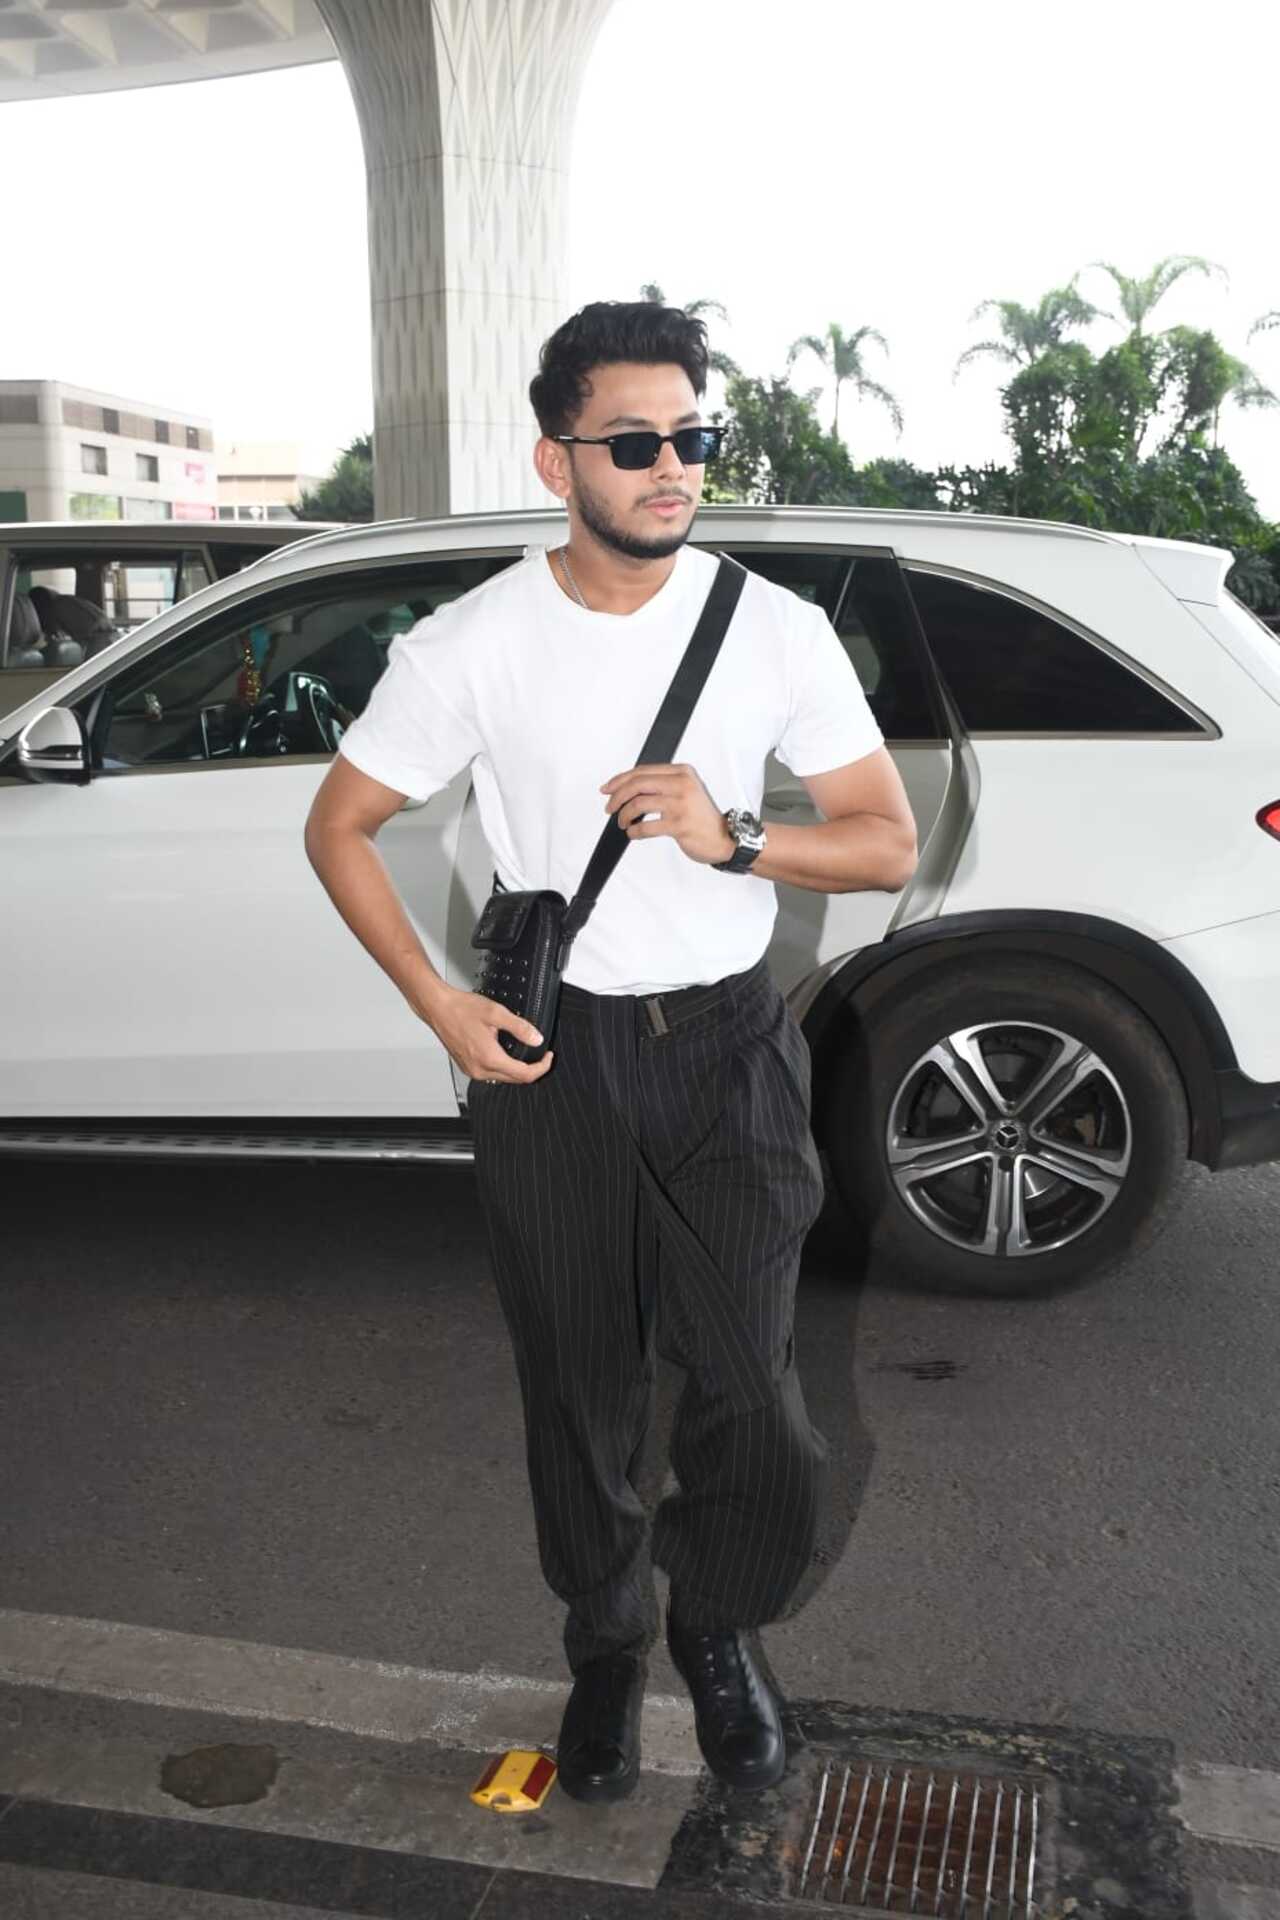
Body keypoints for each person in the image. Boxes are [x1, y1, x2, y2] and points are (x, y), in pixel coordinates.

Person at [303, 300, 918, 1804]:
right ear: (557, 459)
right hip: (551, 1060)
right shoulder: (473, 641)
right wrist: (439, 1003)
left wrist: (738, 835)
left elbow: (885, 842)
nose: (673, 466)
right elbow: (340, 826)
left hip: (727, 1046)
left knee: (752, 1389)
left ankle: (716, 1625)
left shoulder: (773, 628)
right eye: (635, 442)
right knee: (578, 1387)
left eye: (694, 436)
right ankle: (602, 1643)